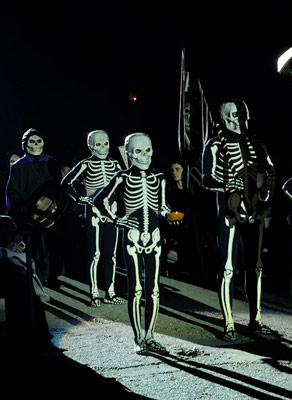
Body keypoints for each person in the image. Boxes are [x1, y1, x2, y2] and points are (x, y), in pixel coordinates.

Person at [202, 99, 278, 341]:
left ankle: (255, 320)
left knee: (255, 267)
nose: (239, 120)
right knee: (227, 268)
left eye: (242, 115)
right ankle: (229, 322)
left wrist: (265, 198)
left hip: (254, 209)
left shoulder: (255, 143)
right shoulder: (214, 145)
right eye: (234, 115)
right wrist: (226, 184)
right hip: (229, 211)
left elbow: (270, 170)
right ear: (224, 119)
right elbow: (206, 178)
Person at [94, 132, 172, 355]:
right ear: (128, 154)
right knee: (135, 289)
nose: (144, 156)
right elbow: (100, 200)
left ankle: (150, 336)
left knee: (154, 290)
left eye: (148, 150)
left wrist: (168, 214)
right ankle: (138, 338)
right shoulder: (123, 177)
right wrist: (117, 219)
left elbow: (162, 205)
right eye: (138, 151)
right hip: (132, 236)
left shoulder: (159, 178)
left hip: (154, 237)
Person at [61, 130, 124, 307]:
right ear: (90, 146)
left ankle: (110, 293)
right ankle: (94, 293)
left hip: (111, 212)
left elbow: (124, 182)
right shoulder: (86, 163)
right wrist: (80, 198)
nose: (103, 148)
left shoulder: (115, 163)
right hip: (95, 211)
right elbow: (66, 182)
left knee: (110, 255)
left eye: (105, 144)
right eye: (98, 144)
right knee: (95, 254)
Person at [5, 128, 62, 287]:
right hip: (30, 213)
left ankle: (52, 276)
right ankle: (38, 276)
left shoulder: (51, 161)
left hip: (52, 212)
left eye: (39, 141)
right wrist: (20, 208)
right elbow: (12, 190)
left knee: (52, 245)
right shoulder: (18, 166)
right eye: (32, 141)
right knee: (36, 245)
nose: (36, 144)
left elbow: (59, 186)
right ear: (25, 144)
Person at [0, 215, 52, 351]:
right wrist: (6, 251)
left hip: (10, 262)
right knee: (20, 279)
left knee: (24, 278)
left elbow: (19, 241)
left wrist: (16, 245)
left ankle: (38, 335)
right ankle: (22, 336)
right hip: (4, 262)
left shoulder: (5, 220)